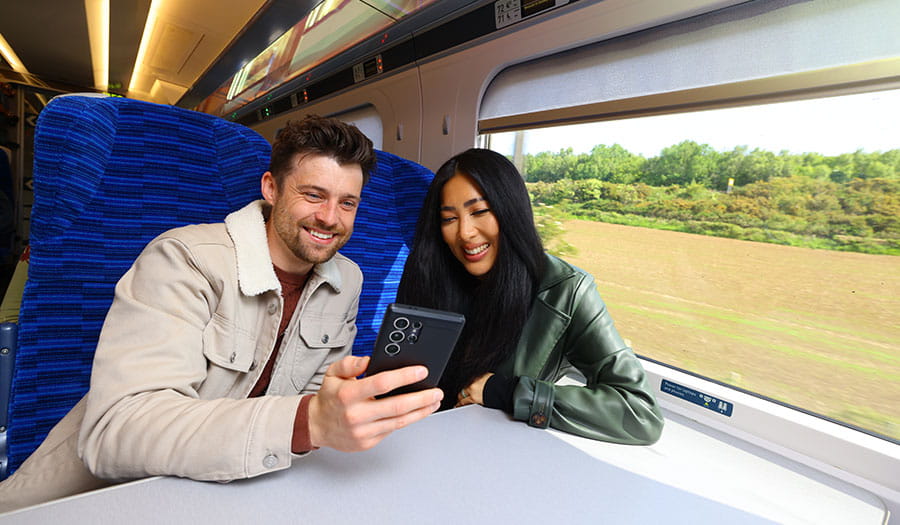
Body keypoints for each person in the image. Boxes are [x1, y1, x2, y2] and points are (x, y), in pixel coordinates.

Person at [0, 115, 443, 513]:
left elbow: (310, 397)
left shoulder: (347, 279)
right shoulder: (182, 259)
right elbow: (118, 432)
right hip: (98, 498)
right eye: (313, 194)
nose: (330, 218)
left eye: (348, 203)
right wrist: (309, 422)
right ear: (271, 188)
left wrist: (333, 411)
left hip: (238, 490)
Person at [396, 148, 663, 444]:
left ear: (510, 210)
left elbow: (640, 412)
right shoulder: (428, 271)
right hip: (416, 440)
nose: (465, 233)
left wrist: (508, 392)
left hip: (498, 451)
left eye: (479, 212)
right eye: (449, 219)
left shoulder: (566, 291)